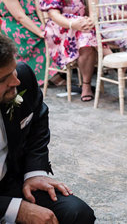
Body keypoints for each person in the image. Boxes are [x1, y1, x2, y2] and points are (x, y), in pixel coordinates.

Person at [0, 34, 96, 224]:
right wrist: (16, 209)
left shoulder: (23, 77)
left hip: (10, 181)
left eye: (13, 71)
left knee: (77, 214)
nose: (15, 82)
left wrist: (34, 173)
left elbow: (37, 121)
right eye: (4, 78)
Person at [39, 0, 98, 102]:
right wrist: (73, 25)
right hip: (61, 30)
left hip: (83, 29)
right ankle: (91, 78)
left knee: (86, 38)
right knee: (87, 36)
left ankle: (86, 85)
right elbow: (53, 15)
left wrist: (91, 21)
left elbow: (94, 12)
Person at [0, 0, 46, 81]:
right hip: (14, 24)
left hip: (32, 21)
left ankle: (48, 74)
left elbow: (39, 10)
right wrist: (40, 32)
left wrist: (45, 26)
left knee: (51, 33)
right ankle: (35, 76)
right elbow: (20, 16)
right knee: (41, 37)